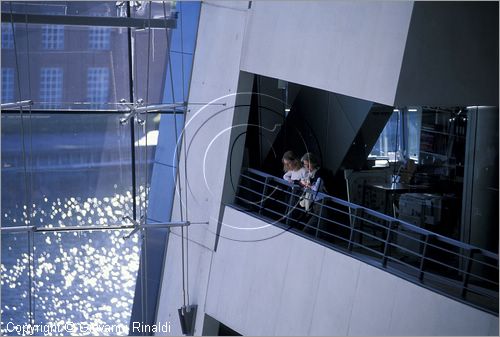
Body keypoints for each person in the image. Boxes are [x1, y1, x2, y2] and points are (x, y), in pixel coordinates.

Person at [299, 152, 331, 238]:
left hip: (321, 203)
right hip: (317, 204)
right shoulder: (312, 174)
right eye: (305, 165)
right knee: (317, 228)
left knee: (320, 229)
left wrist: (307, 184)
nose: (306, 167)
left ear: (313, 163)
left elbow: (317, 189)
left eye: (307, 164)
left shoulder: (319, 173)